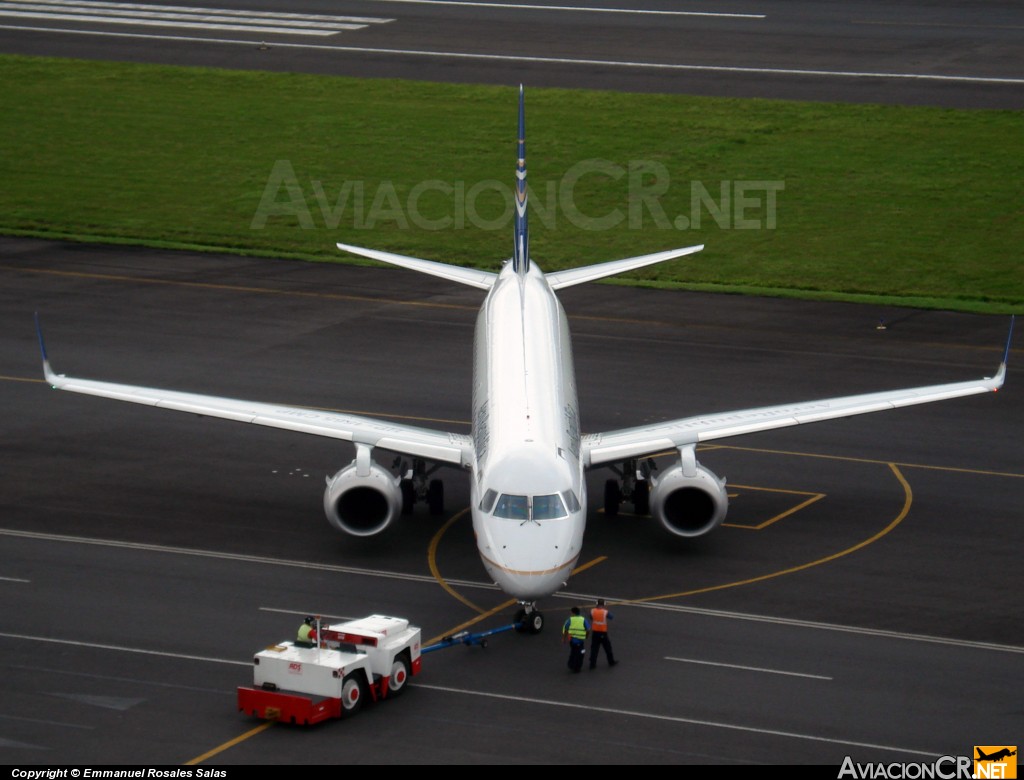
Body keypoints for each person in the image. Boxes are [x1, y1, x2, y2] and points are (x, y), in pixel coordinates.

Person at [589, 598, 617, 669]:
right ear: (603, 604)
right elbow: (611, 617)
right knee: (608, 648)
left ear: (597, 604)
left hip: (595, 633)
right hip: (603, 633)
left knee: (594, 649)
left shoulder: (592, 611)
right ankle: (611, 662)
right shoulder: (605, 612)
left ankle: (592, 664)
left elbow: (591, 617)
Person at [562, 606, 590, 673]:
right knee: (581, 653)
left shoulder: (570, 620)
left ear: (573, 613)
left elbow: (566, 629)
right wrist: (586, 636)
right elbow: (588, 629)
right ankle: (577, 667)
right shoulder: (583, 619)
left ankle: (571, 664)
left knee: (573, 652)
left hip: (572, 641)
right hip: (580, 641)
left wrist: (564, 638)